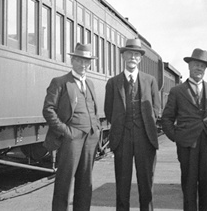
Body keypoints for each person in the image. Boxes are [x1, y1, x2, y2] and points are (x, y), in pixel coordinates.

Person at [161, 48, 207, 211]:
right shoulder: (177, 91)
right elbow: (166, 119)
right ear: (189, 66)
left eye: (202, 66)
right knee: (188, 186)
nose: (199, 68)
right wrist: (176, 137)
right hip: (187, 145)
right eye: (195, 64)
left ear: (205, 69)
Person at [104, 38, 162, 211]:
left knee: (146, 184)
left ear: (140, 59)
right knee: (122, 185)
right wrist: (122, 126)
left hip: (145, 138)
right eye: (129, 53)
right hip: (122, 139)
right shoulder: (113, 82)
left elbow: (157, 108)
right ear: (123, 56)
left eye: (136, 54)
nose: (133, 57)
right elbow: (109, 111)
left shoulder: (150, 80)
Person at [42, 42, 102, 211]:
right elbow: (48, 109)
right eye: (80, 60)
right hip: (71, 139)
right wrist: (65, 132)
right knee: (64, 183)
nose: (83, 65)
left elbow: (94, 109)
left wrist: (96, 128)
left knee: (85, 183)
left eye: (87, 61)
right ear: (73, 60)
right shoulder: (60, 82)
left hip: (90, 139)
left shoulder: (90, 83)